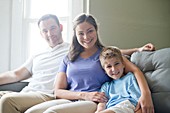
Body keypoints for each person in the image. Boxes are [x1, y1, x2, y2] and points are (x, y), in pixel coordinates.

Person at [26, 13, 154, 113]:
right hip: (70, 100)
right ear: (75, 35)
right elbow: (58, 91)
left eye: (90, 31)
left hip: (94, 102)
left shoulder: (105, 55)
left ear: (96, 30)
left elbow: (134, 70)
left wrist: (146, 95)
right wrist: (83, 95)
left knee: (51, 112)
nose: (86, 37)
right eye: (81, 33)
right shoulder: (68, 58)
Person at [0, 14, 70, 113]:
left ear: (61, 27)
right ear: (41, 34)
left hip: (48, 95)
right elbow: (16, 75)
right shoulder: (38, 54)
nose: (49, 34)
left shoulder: (72, 50)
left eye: (53, 28)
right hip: (26, 93)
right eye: (45, 31)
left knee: (7, 100)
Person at [95, 46, 141, 113]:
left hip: (127, 105)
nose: (114, 69)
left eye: (116, 64)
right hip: (111, 108)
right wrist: (99, 110)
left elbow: (137, 98)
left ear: (123, 64)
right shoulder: (106, 86)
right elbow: (102, 103)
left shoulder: (129, 78)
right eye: (109, 66)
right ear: (104, 70)